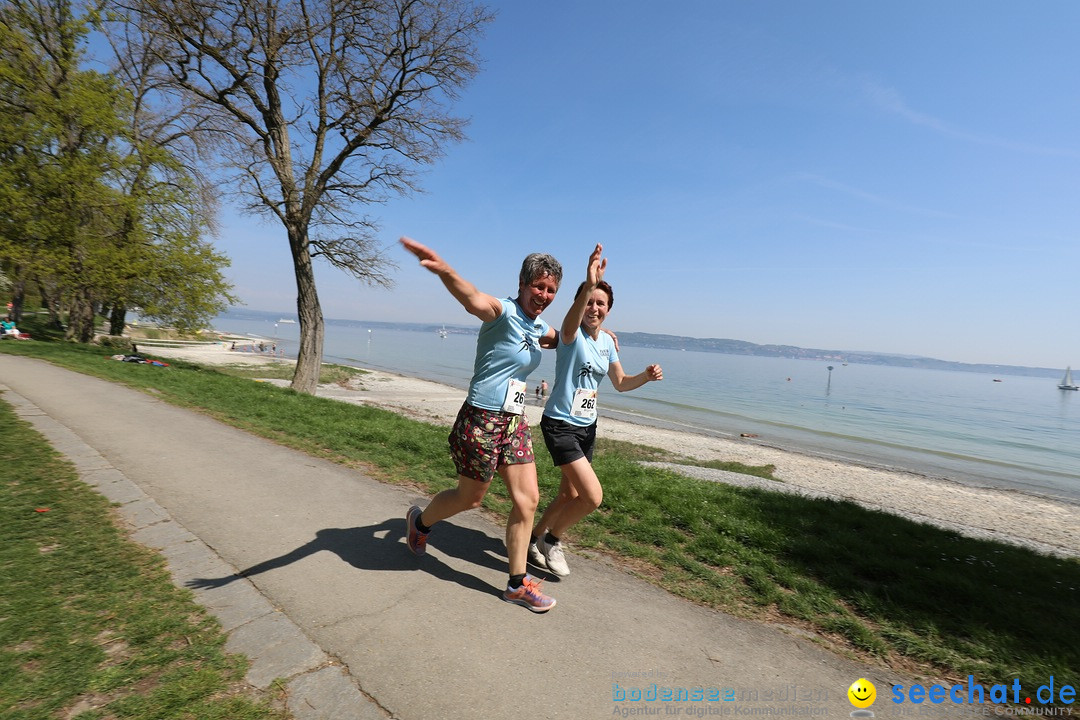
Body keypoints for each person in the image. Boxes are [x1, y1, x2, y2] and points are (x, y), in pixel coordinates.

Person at [400, 236, 564, 613]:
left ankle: (517, 584)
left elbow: (563, 337)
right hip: (481, 419)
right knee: (470, 498)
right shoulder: (501, 311)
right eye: (538, 286)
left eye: (551, 289)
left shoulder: (539, 328)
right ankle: (420, 522)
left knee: (528, 500)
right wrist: (445, 270)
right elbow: (471, 296)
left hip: (515, 422)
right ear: (523, 284)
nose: (544, 294)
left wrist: (595, 330)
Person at [529, 244, 663, 577]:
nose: (594, 307)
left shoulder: (607, 342)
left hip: (587, 425)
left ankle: (533, 539)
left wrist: (645, 377)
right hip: (560, 423)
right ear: (579, 303)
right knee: (592, 496)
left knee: (568, 493)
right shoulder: (570, 335)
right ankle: (553, 540)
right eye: (589, 301)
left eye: (600, 303)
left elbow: (620, 382)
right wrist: (589, 283)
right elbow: (571, 323)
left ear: (609, 310)